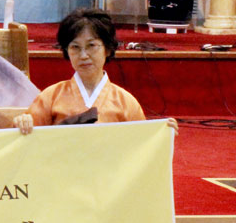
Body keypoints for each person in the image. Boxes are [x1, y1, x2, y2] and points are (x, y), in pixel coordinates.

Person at [15, 9, 167, 134]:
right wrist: (22, 123)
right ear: (67, 51)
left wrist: (161, 131)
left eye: (91, 46)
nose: (83, 55)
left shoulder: (126, 102)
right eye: (75, 47)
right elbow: (28, 140)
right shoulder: (51, 96)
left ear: (107, 49)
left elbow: (141, 144)